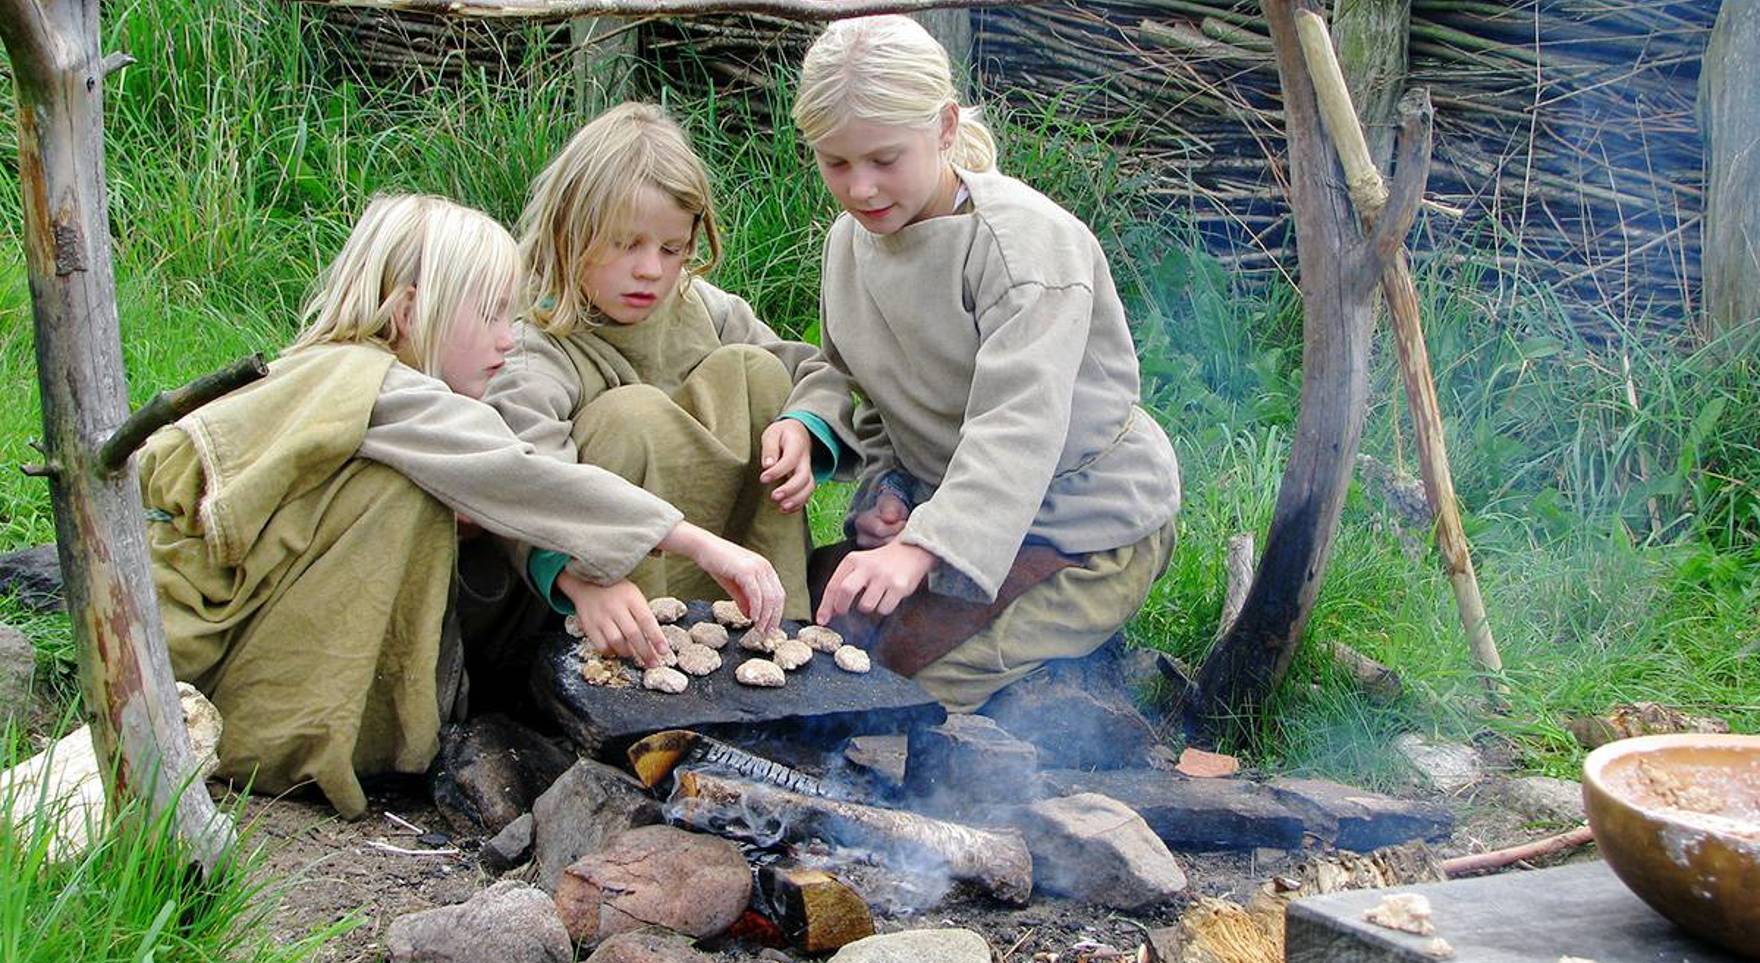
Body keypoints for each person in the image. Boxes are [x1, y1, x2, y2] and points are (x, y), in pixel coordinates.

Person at [141, 194, 784, 818]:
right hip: (206, 646)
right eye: (491, 316)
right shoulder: (382, 386)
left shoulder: (349, 372)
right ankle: (297, 738)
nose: (509, 340)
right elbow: (517, 473)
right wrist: (695, 541)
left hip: (195, 623)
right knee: (398, 495)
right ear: (412, 312)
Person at [763, 15, 1182, 713]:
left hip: (1082, 528)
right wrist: (891, 493)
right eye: (837, 163)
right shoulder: (850, 243)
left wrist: (921, 548)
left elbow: (1017, 429)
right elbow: (865, 385)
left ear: (945, 126)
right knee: (825, 643)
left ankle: (1068, 675)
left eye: (885, 159)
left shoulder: (1023, 249)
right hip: (957, 514)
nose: (861, 188)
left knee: (907, 697)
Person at [483, 102, 832, 632]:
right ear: (569, 232)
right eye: (626, 245)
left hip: (728, 560)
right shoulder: (534, 340)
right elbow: (525, 479)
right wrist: (579, 579)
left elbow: (815, 372)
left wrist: (802, 426)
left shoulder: (704, 307)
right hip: (595, 590)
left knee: (757, 370)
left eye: (671, 249)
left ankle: (776, 629)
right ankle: (642, 659)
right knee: (633, 414)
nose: (651, 270)